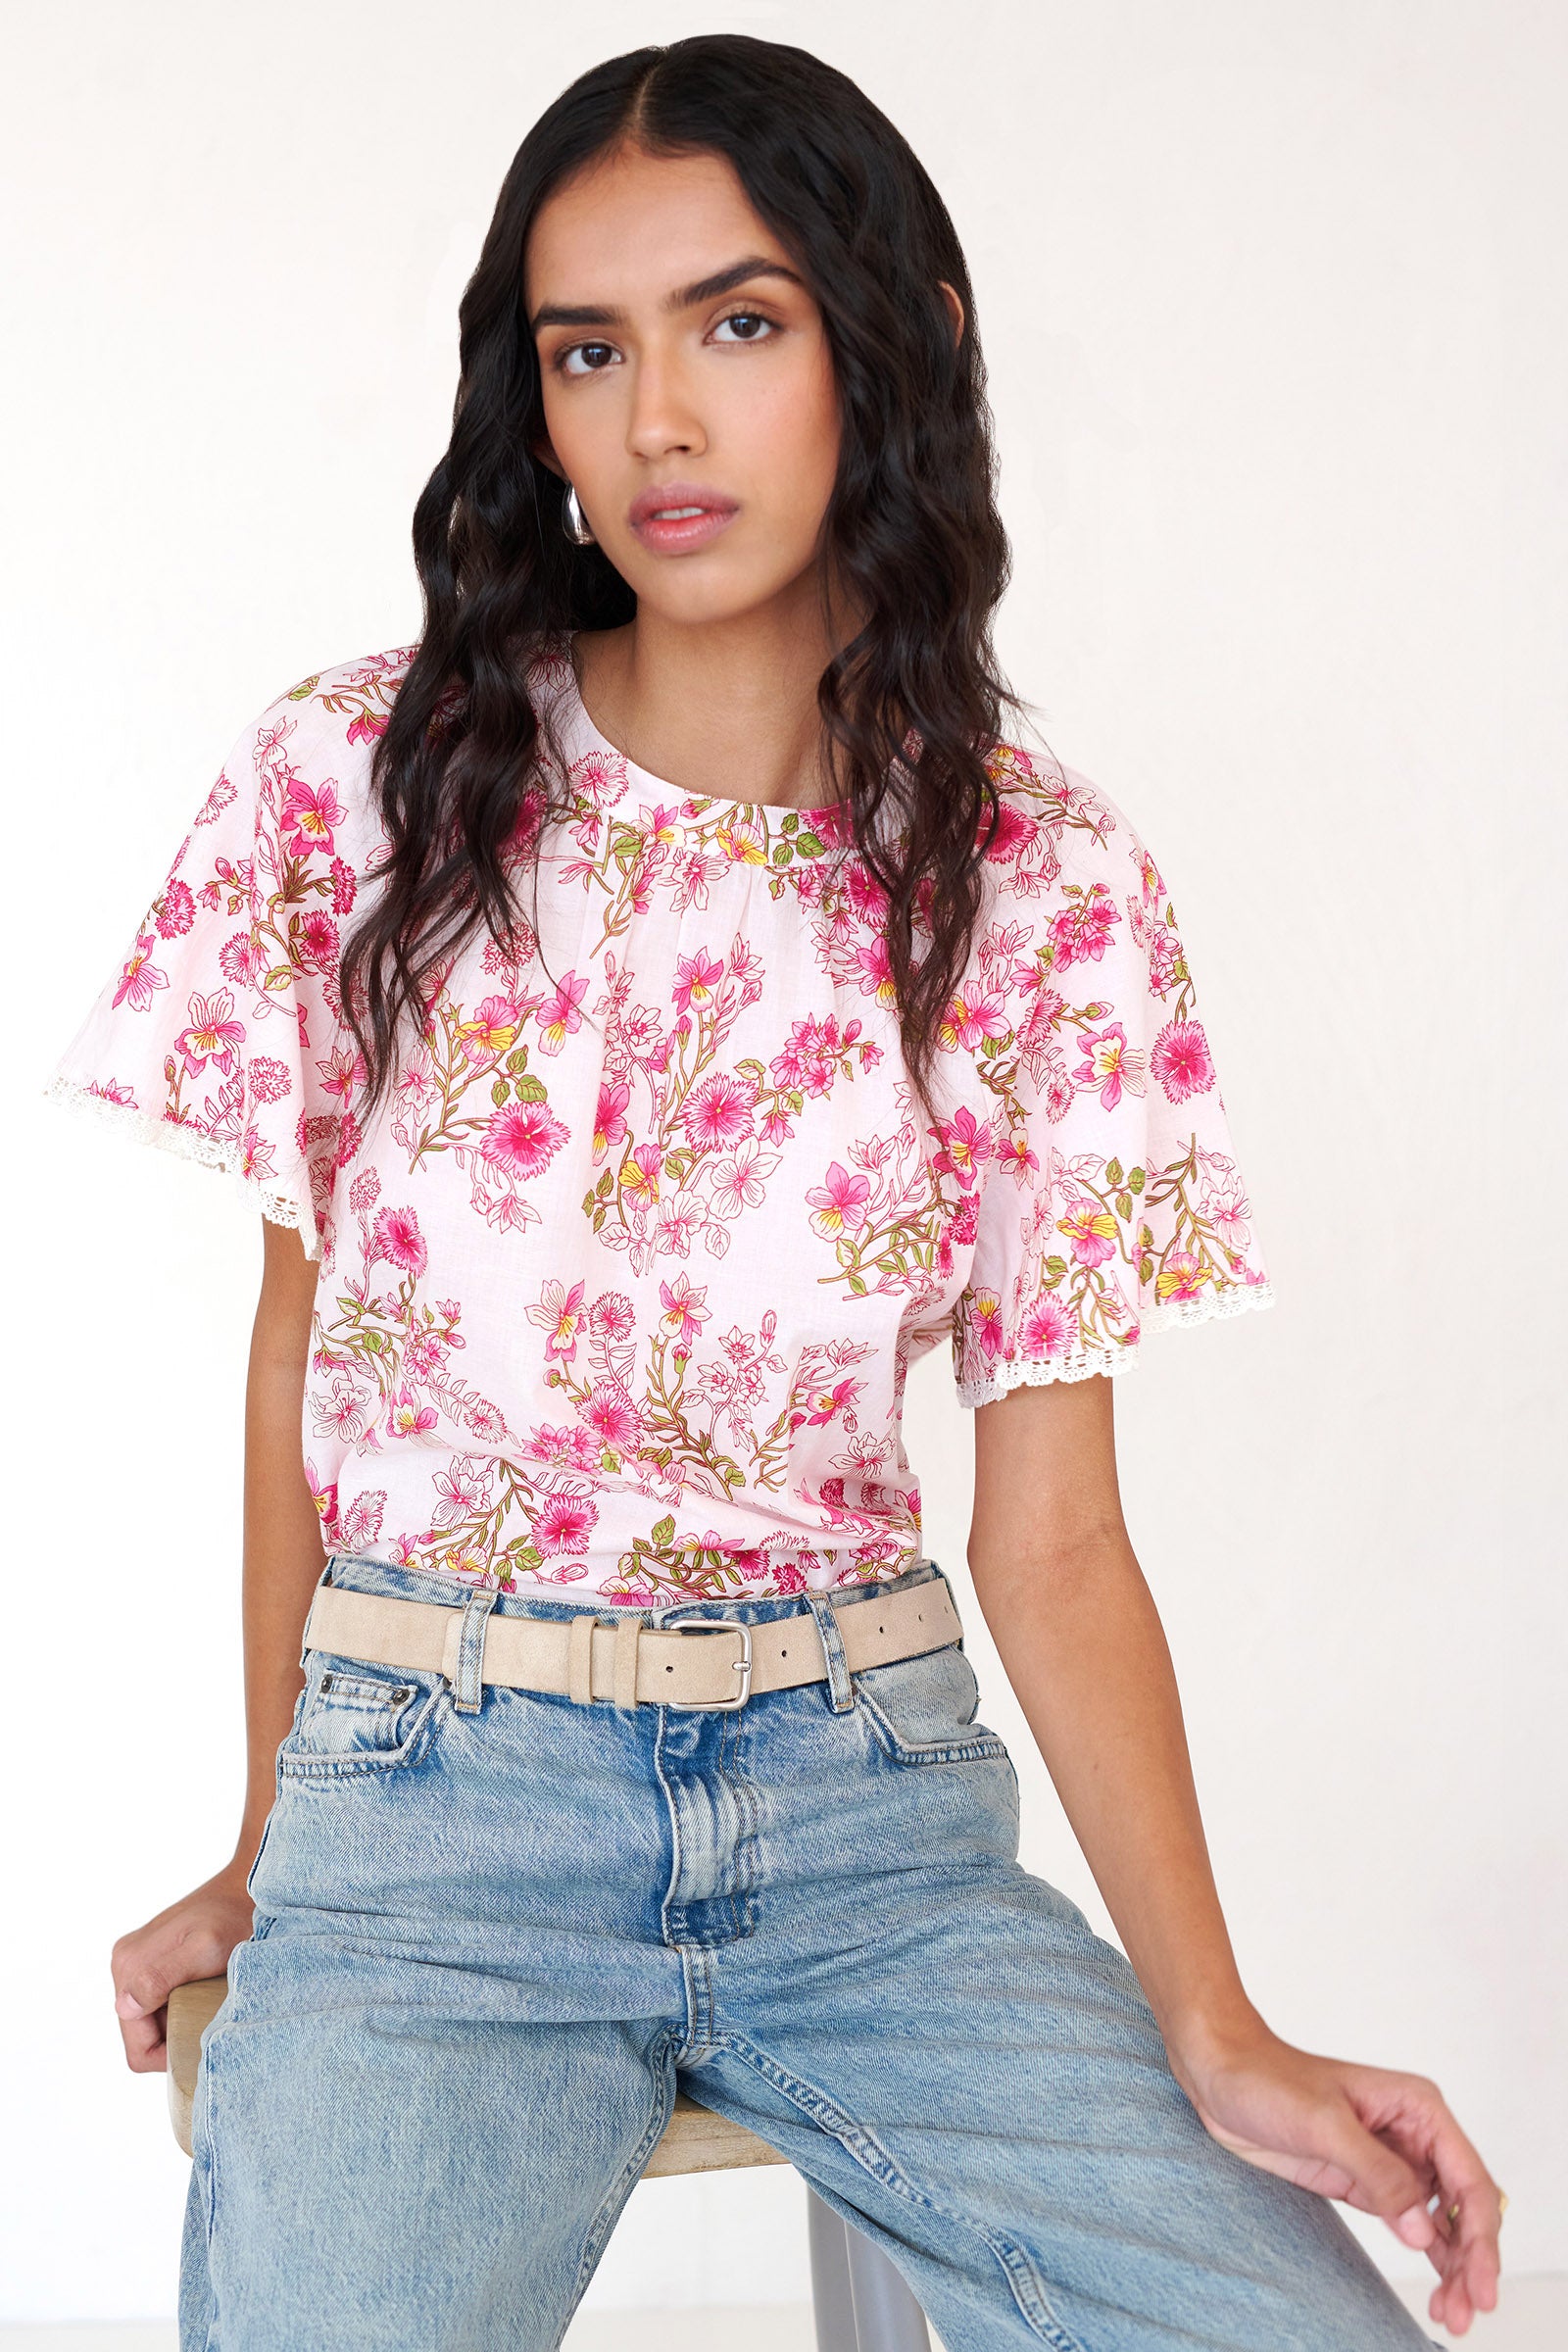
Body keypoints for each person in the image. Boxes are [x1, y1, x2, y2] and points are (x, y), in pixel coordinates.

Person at [44, 32, 1501, 2352]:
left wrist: (1213, 2021)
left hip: (869, 1830)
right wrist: (275, 1847)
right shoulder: (360, 785)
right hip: (433, 1837)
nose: (656, 426)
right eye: (585, 350)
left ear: (886, 339)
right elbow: (297, 1366)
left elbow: (1052, 1529)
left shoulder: (1038, 880)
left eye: (736, 327)